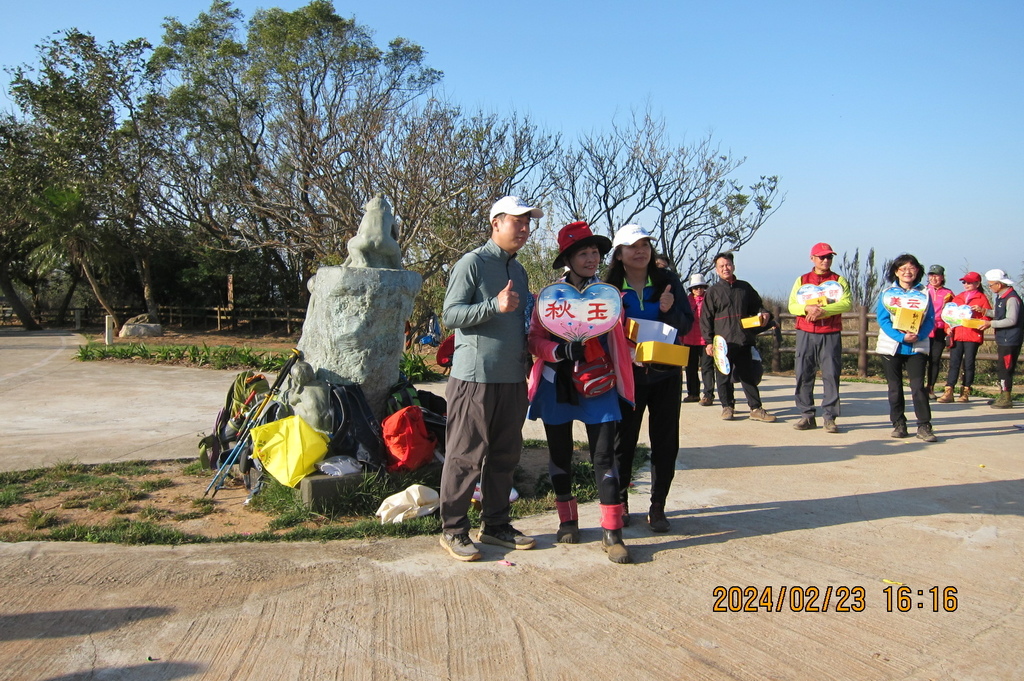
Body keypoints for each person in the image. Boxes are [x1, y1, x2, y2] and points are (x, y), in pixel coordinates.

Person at [437, 195, 542, 561]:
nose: (526, 229)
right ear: (496, 223)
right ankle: (453, 530)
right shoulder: (472, 263)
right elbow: (450, 315)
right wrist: (492, 305)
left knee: (505, 455)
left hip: (513, 377)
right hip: (474, 378)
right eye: (519, 221)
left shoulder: (520, 271)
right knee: (465, 456)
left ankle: (496, 525)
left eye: (529, 223)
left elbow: (520, 321)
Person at [527, 221, 635, 563]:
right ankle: (567, 521)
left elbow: (621, 338)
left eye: (595, 253)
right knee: (559, 454)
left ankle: (612, 533)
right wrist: (559, 352)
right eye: (583, 253)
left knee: (604, 456)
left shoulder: (609, 296)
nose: (592, 259)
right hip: (555, 384)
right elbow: (533, 338)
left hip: (599, 383)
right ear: (567, 259)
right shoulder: (548, 298)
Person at [604, 224, 693, 531]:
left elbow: (686, 324)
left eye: (645, 244)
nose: (640, 250)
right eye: (632, 246)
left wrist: (668, 310)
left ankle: (658, 505)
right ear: (619, 254)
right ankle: (622, 500)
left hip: (665, 373)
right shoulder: (609, 288)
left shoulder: (667, 280)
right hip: (627, 375)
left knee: (666, 440)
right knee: (622, 442)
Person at [700, 251, 776, 422]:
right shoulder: (712, 292)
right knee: (723, 377)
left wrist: (764, 314)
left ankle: (756, 408)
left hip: (743, 339)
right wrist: (709, 342)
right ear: (716, 270)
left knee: (747, 376)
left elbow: (758, 307)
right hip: (722, 343)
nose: (725, 268)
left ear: (733, 266)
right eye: (721, 266)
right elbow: (705, 319)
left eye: (727, 265)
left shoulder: (745, 288)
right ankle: (727, 407)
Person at [787, 242, 853, 433]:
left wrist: (823, 311)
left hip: (830, 333)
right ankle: (806, 415)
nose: (826, 260)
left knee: (831, 374)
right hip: (805, 332)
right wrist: (807, 308)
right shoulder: (802, 280)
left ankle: (830, 417)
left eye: (829, 257)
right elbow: (792, 305)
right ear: (812, 258)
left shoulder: (839, 280)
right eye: (822, 257)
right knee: (803, 373)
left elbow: (846, 303)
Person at [875, 254, 938, 442]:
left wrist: (919, 335)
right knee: (894, 388)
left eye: (911, 268)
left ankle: (924, 425)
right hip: (891, 347)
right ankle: (899, 423)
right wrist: (901, 337)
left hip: (916, 347)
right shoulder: (887, 294)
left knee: (918, 387)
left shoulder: (925, 294)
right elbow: (883, 320)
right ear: (896, 272)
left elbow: (931, 319)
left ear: (918, 271)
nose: (907, 272)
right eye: (902, 269)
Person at [937, 272, 991, 403]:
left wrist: (977, 319)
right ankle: (949, 390)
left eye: (969, 282)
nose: (966, 285)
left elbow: (987, 318)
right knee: (954, 363)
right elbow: (949, 316)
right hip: (957, 334)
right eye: (964, 282)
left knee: (969, 364)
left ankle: (965, 391)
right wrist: (948, 328)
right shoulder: (958, 298)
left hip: (972, 335)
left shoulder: (982, 298)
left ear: (977, 284)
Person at [979, 269, 1023, 409]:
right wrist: (985, 312)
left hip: (1010, 339)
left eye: (991, 285)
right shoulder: (1002, 297)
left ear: (999, 284)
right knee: (1002, 367)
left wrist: (990, 323)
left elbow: (1011, 320)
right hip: (1003, 338)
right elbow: (1000, 314)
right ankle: (1003, 394)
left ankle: (1006, 396)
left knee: (1006, 368)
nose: (990, 287)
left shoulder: (1011, 299)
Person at [681, 273, 715, 406]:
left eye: (701, 287)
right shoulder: (686, 301)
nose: (698, 290)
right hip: (689, 338)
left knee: (707, 367)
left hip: (706, 339)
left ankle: (708, 394)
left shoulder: (709, 299)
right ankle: (693, 393)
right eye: (695, 287)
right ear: (691, 289)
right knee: (690, 368)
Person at [925, 265, 954, 399]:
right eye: (931, 275)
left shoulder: (948, 293)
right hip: (924, 329)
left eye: (936, 275)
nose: (933, 278)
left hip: (940, 330)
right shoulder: (922, 290)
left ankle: (930, 388)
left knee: (934, 360)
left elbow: (953, 313)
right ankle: (919, 387)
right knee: (920, 359)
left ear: (942, 277)